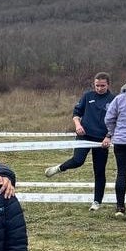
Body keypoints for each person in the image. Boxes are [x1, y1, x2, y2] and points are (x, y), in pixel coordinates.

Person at [44, 73, 114, 211]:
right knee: (78, 160)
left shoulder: (113, 99)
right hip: (84, 135)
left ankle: (96, 202)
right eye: (97, 85)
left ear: (108, 85)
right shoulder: (87, 96)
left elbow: (116, 120)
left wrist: (109, 136)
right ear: (94, 84)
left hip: (102, 140)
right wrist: (78, 125)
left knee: (99, 171)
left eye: (103, 85)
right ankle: (59, 168)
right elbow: (76, 113)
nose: (99, 88)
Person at [103, 72, 126, 217]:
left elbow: (108, 118)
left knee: (121, 174)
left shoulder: (119, 99)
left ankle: (120, 207)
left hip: (121, 142)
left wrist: (112, 133)